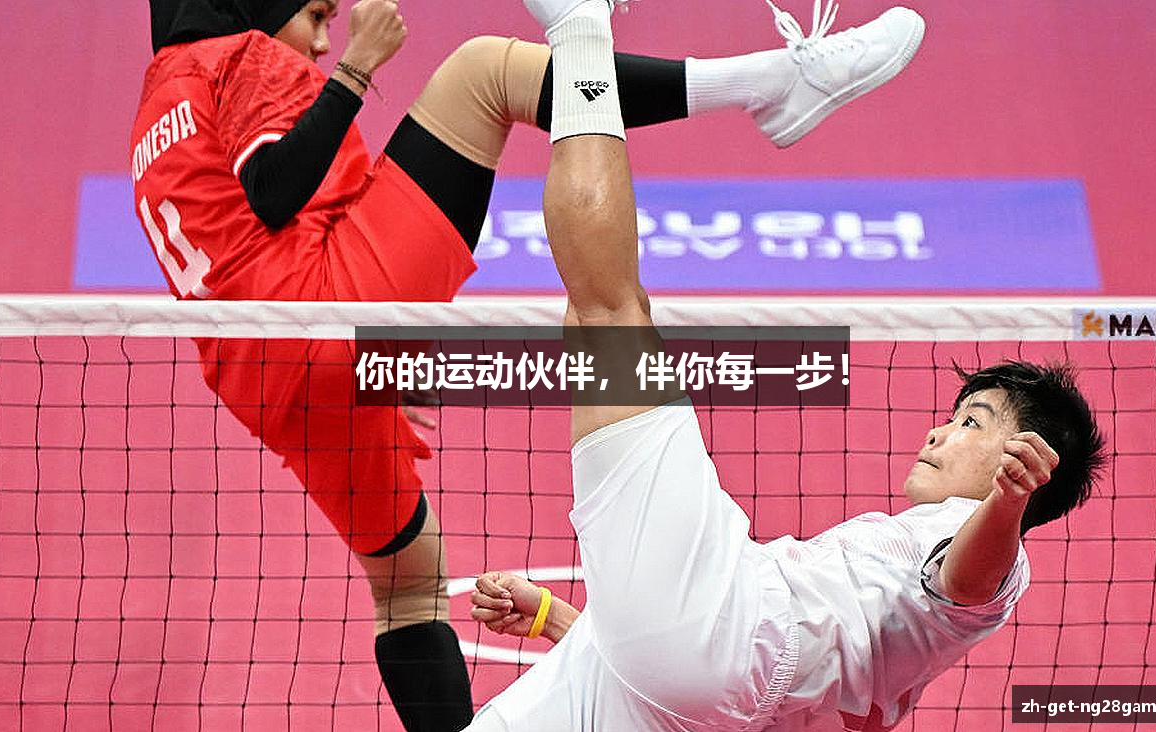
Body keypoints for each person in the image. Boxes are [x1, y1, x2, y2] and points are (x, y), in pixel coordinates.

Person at [132, 0, 924, 727]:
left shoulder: (157, 108)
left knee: (407, 584)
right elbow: (271, 191)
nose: (317, 39)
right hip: (334, 312)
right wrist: (357, 66)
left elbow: (244, 233)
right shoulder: (243, 56)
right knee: (486, 73)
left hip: (265, 380)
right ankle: (771, 81)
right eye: (312, 15)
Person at [459, 1, 1104, 729]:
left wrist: (1008, 505)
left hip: (735, 636)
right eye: (955, 417)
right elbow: (677, 674)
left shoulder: (985, 558)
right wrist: (553, 616)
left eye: (973, 423)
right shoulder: (902, 604)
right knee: (599, 327)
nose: (938, 432)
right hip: (693, 692)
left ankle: (580, 23)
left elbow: (973, 577)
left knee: (609, 319)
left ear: (1026, 463)